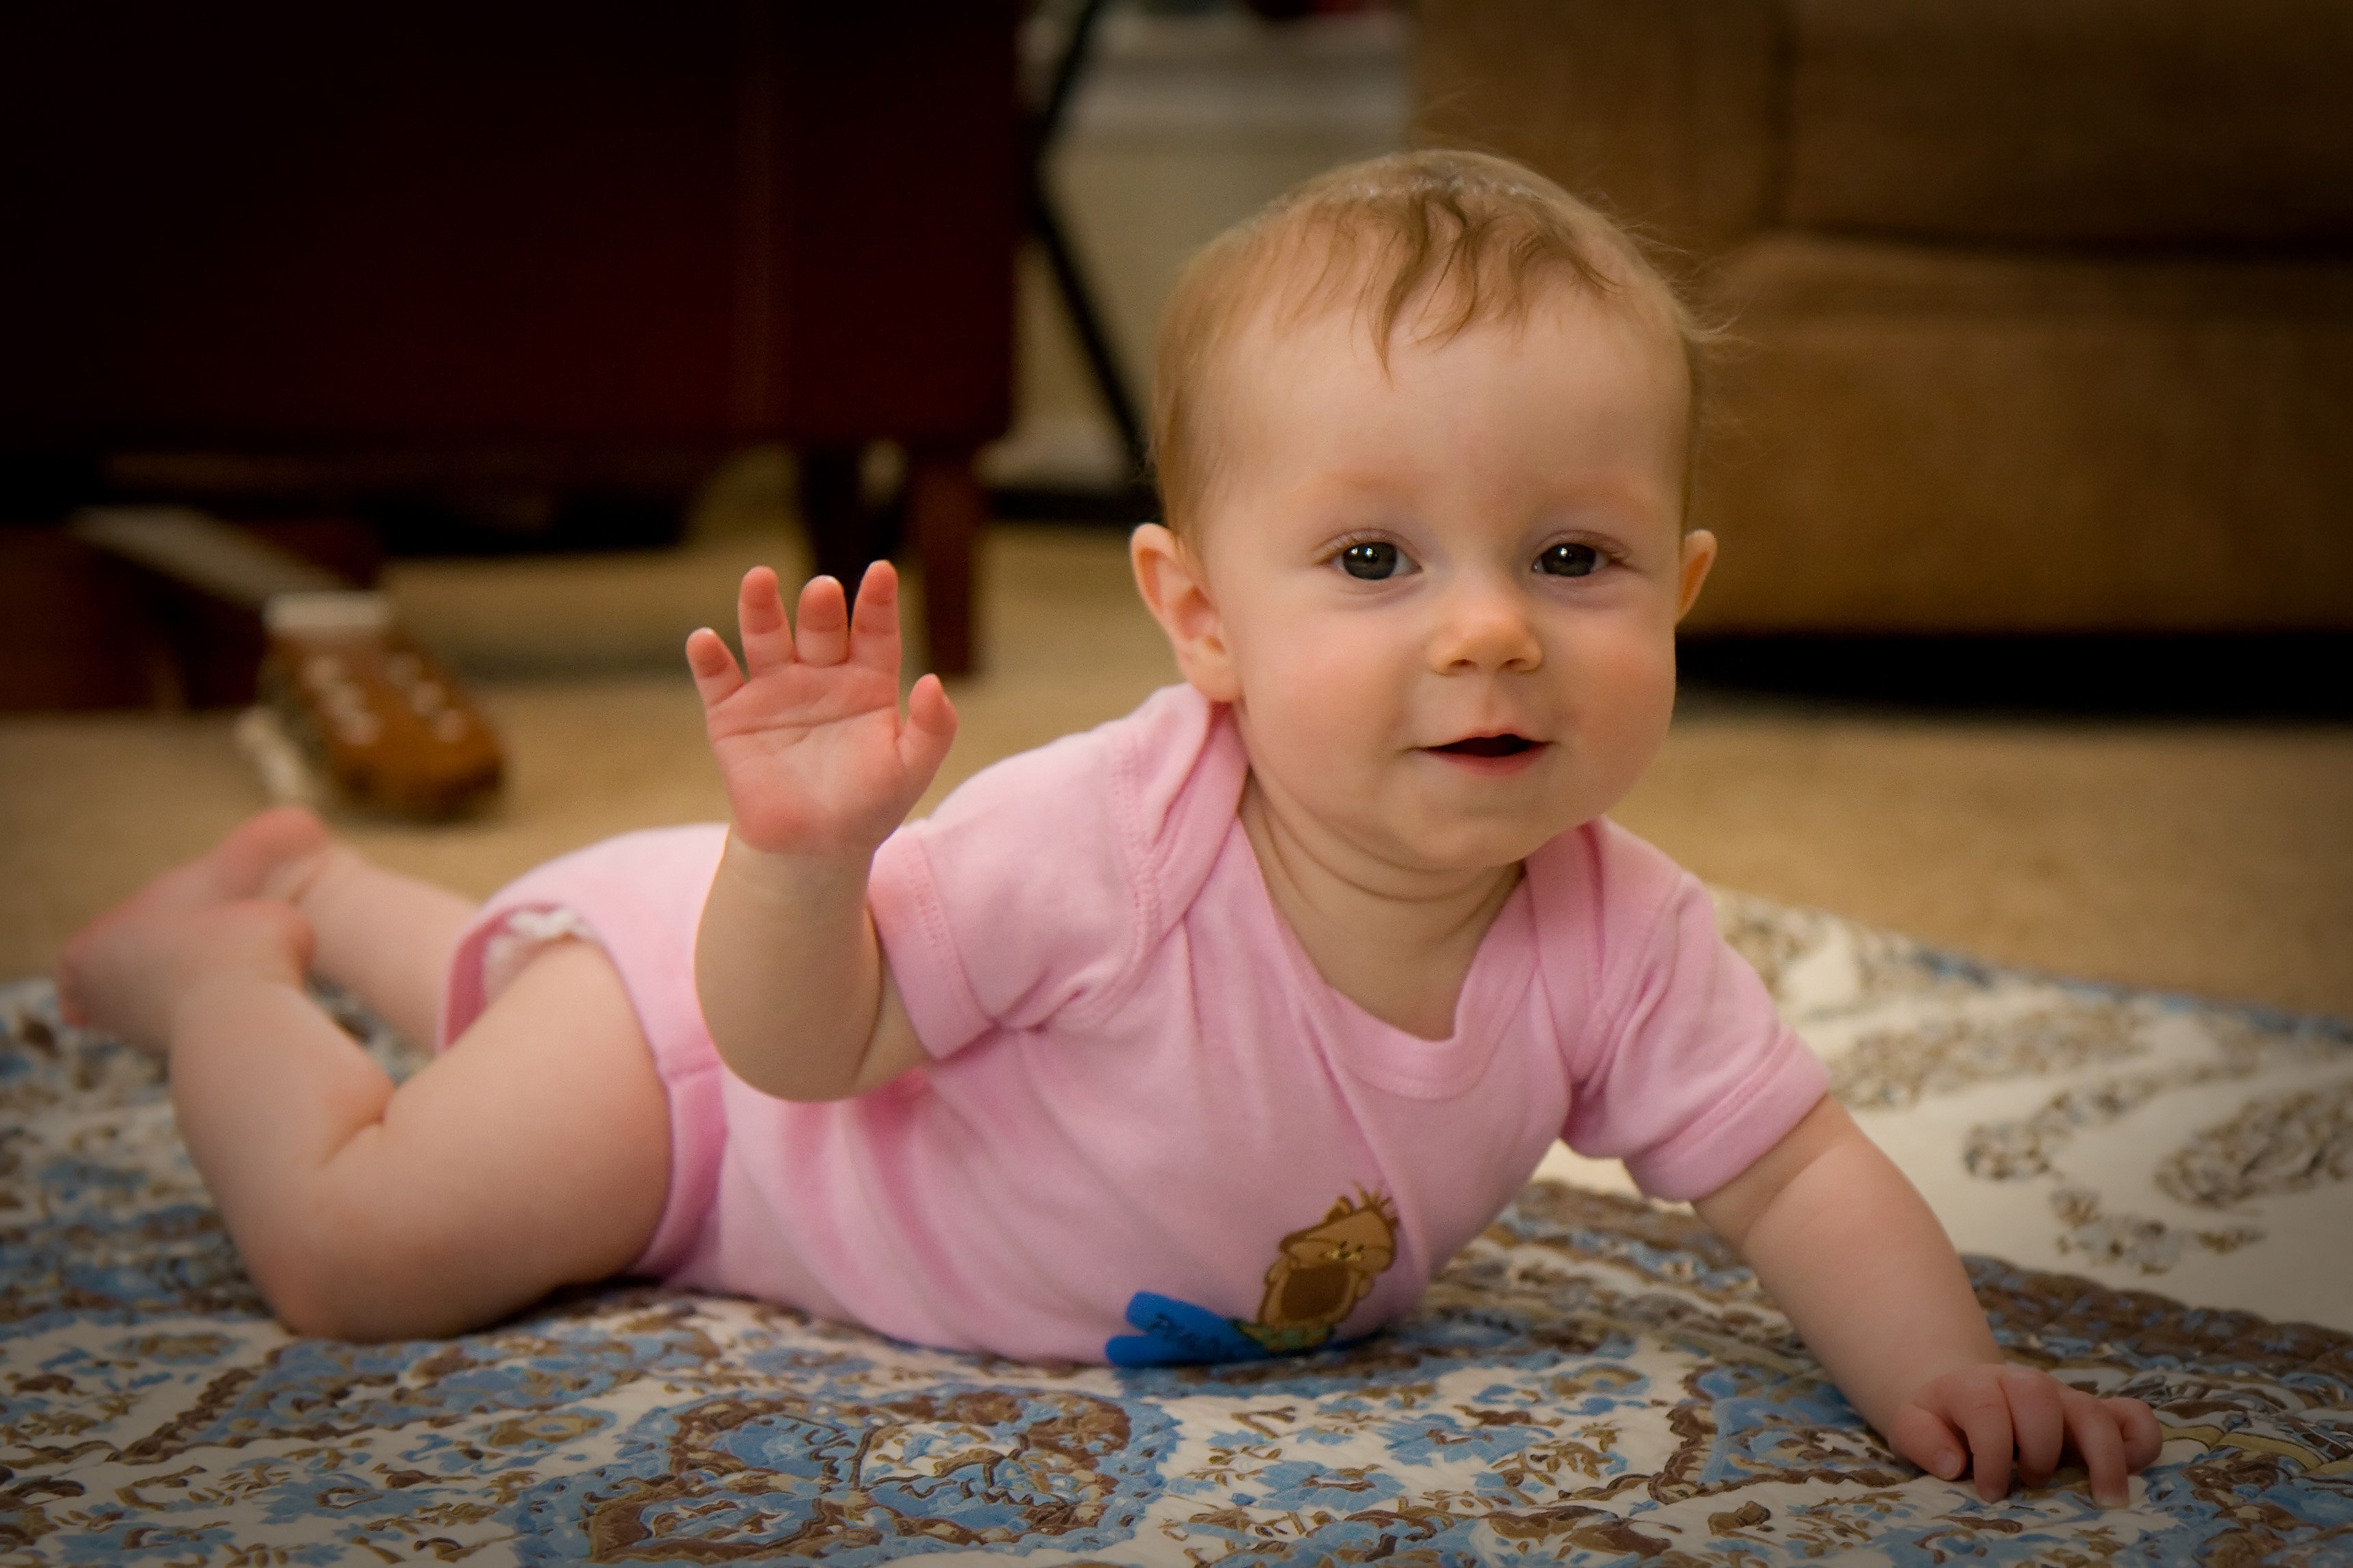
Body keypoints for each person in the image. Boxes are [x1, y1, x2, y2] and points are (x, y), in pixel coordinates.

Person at [58, 151, 2160, 1506]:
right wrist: (801, 861)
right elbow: (805, 1046)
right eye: (1372, 557)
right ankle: (228, 964)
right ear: (1195, 619)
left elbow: (1790, 1164)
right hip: (722, 1075)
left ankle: (329, 887)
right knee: (364, 1249)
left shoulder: (1618, 931)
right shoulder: (1108, 839)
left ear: (1679, 597)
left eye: (1577, 558)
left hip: (724, 1004)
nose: (1497, 629)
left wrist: (1943, 1375)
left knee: (491, 967)